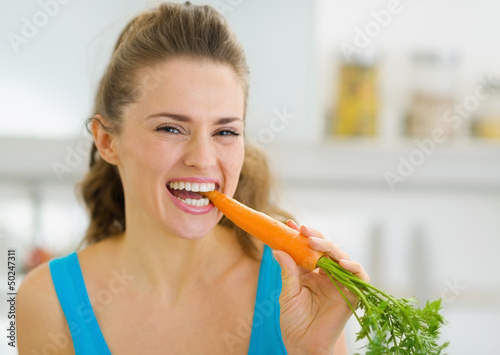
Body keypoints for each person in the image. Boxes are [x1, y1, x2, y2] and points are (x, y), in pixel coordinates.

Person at [17, 2, 369, 354]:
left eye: (226, 132)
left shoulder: (295, 293)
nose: (202, 159)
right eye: (170, 128)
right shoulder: (48, 302)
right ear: (107, 141)